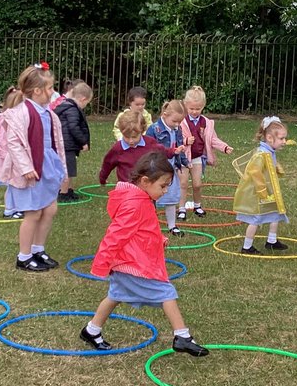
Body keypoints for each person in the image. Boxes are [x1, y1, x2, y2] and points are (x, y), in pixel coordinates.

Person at [80, 150, 209, 356]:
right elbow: (116, 234)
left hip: (129, 259)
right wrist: (101, 262)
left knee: (115, 295)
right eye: (163, 186)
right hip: (133, 263)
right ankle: (182, 336)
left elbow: (143, 229)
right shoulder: (135, 204)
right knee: (166, 292)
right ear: (145, 181)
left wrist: (159, 239)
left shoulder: (141, 198)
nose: (166, 191)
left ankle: (91, 330)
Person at [0, 64, 67, 273]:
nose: (53, 92)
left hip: (46, 165)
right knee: (33, 213)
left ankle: (38, 249)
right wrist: (26, 167)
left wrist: (60, 167)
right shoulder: (20, 113)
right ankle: (24, 256)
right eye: (50, 87)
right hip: (30, 169)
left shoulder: (48, 113)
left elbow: (56, 142)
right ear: (37, 91)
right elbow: (14, 143)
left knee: (49, 209)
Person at [233, 116, 290, 255]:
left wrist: (277, 168)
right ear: (270, 138)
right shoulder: (261, 154)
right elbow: (255, 172)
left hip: (269, 190)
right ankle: (247, 247)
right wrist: (262, 191)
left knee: (275, 213)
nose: (285, 142)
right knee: (256, 218)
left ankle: (271, 241)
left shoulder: (269, 151)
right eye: (282, 138)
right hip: (258, 192)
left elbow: (270, 165)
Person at [178, 85, 233, 219]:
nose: (195, 111)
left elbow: (212, 139)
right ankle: (181, 208)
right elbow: (174, 139)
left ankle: (197, 206)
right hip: (183, 157)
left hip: (197, 157)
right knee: (183, 184)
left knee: (197, 184)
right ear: (185, 105)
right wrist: (185, 141)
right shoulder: (180, 121)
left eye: (198, 108)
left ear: (203, 106)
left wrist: (224, 147)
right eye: (191, 108)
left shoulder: (206, 122)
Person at [144, 99, 191, 236]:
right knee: (153, 197)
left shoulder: (177, 129)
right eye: (174, 121)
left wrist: (184, 161)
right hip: (157, 168)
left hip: (171, 168)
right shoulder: (154, 129)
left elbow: (180, 147)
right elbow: (149, 149)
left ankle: (172, 226)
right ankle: (151, 225)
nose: (177, 125)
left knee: (171, 197)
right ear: (165, 114)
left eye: (179, 122)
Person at [99, 111, 172, 185]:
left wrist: (173, 152)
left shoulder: (149, 143)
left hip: (145, 185)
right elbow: (107, 164)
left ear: (142, 131)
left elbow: (162, 150)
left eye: (134, 137)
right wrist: (102, 178)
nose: (131, 141)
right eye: (127, 137)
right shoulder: (118, 148)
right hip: (126, 187)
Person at [54, 81, 92, 202]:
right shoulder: (72, 110)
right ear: (83, 99)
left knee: (70, 169)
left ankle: (69, 190)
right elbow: (73, 127)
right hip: (67, 145)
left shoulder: (69, 107)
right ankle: (63, 193)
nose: (86, 105)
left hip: (68, 145)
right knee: (67, 170)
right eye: (87, 102)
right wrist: (83, 142)